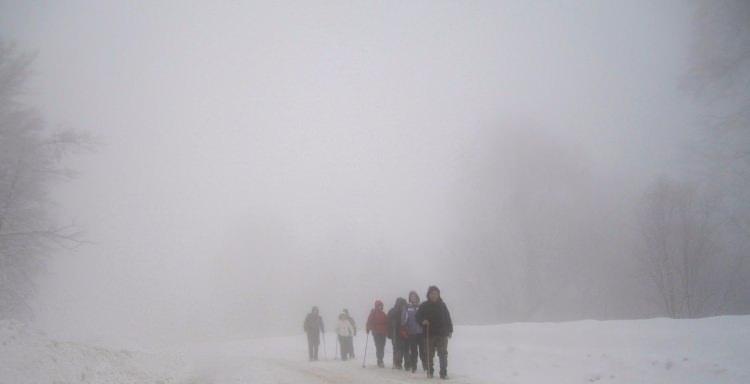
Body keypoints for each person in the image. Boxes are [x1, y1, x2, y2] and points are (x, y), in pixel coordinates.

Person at [416, 286, 453, 379]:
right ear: (428, 295)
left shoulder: (442, 305)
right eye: (432, 294)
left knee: (443, 354)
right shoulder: (424, 305)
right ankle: (430, 371)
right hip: (429, 334)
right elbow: (417, 316)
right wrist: (423, 321)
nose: (434, 295)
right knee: (429, 354)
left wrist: (450, 330)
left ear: (438, 294)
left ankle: (443, 372)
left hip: (442, 333)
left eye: (436, 294)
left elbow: (448, 318)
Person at [402, 290, 426, 373]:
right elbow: (404, 320)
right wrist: (405, 328)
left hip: (421, 332)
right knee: (413, 350)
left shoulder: (421, 306)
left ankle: (425, 365)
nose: (413, 298)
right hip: (411, 333)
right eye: (411, 297)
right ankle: (414, 366)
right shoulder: (407, 307)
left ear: (417, 297)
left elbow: (425, 317)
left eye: (414, 296)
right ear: (410, 298)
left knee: (423, 350)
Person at [366, 300, 388, 367]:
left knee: (382, 346)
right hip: (376, 332)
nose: (380, 306)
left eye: (381, 305)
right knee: (379, 346)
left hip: (383, 332)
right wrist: (368, 328)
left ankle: (381, 359)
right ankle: (380, 360)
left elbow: (386, 322)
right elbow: (369, 321)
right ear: (376, 306)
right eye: (379, 305)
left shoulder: (383, 313)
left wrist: (387, 331)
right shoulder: (373, 313)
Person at [387, 297, 408, 369]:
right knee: (400, 348)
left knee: (397, 348)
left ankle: (397, 363)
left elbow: (388, 322)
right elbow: (389, 322)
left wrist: (389, 333)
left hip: (396, 333)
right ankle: (398, 363)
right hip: (398, 332)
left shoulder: (392, 311)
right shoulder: (403, 310)